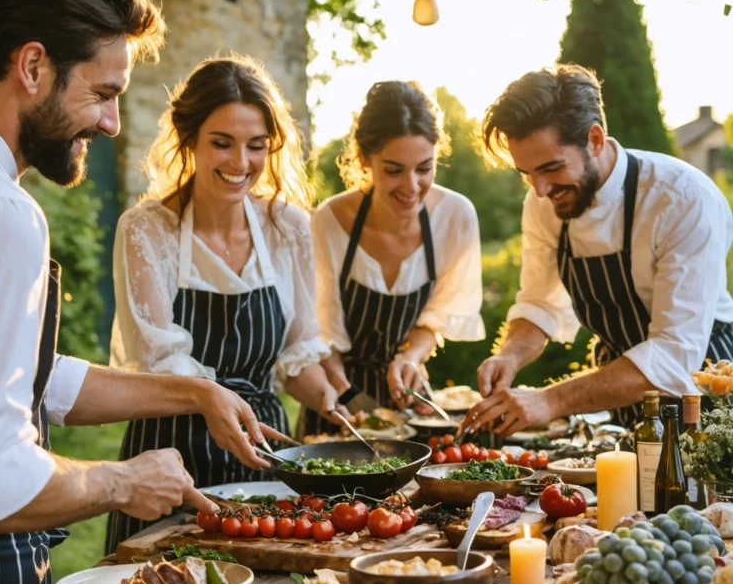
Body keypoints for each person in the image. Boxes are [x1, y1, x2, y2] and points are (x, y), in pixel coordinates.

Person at [0, 0, 274, 584]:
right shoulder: (0, 214)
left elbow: (22, 375)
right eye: (103, 92)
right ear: (32, 66)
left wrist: (194, 394)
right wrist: (121, 480)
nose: (110, 123)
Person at [105, 56, 343, 551]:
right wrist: (211, 399)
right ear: (189, 138)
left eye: (256, 146)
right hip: (172, 458)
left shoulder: (288, 227)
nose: (240, 163)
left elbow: (297, 352)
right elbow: (158, 362)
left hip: (263, 455)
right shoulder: (147, 229)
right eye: (222, 143)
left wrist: (332, 404)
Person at [464, 64, 733, 436]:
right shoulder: (544, 202)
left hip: (702, 398)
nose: (540, 190)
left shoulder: (682, 199)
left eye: (551, 168)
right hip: (619, 400)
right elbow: (541, 304)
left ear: (594, 139)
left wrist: (549, 400)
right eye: (527, 174)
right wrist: (509, 355)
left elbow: (674, 356)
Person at [303, 80, 485, 435]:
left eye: (424, 168)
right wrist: (348, 394)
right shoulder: (328, 222)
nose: (412, 185)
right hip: (335, 398)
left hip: (410, 399)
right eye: (393, 170)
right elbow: (319, 332)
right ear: (363, 159)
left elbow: (439, 316)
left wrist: (410, 357)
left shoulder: (456, 217)